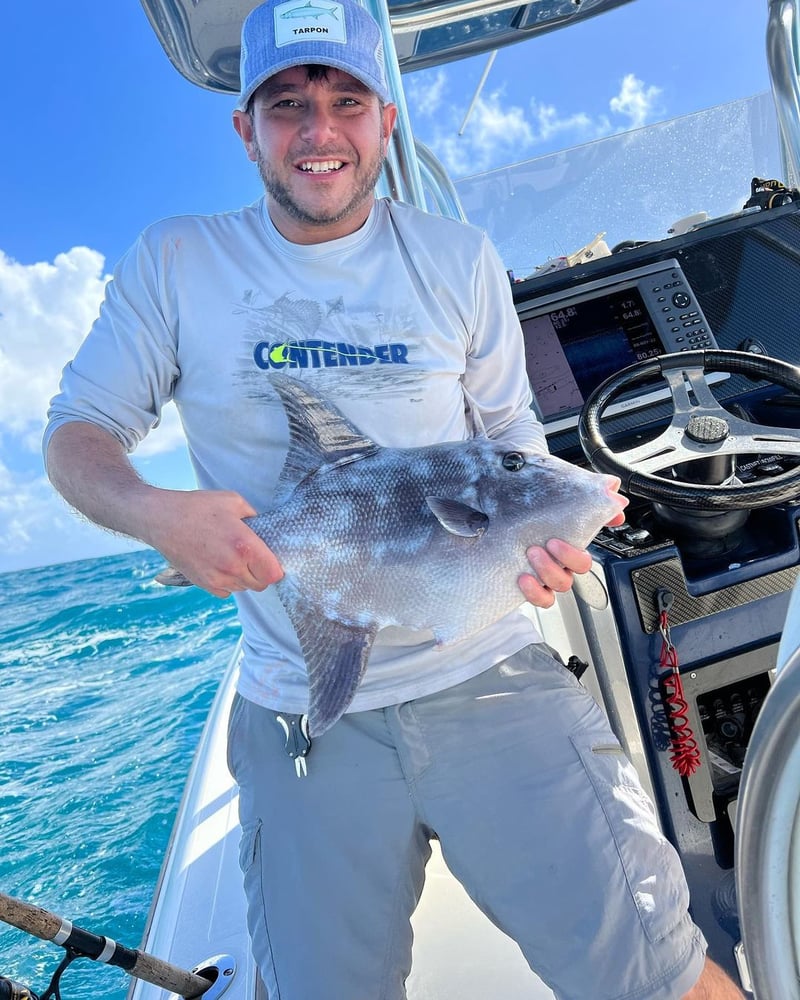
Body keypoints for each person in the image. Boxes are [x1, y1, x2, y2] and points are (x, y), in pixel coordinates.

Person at [43, 1, 744, 997]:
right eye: (285, 104)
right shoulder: (179, 260)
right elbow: (74, 438)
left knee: (658, 972)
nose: (317, 129)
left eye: (344, 100)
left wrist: (548, 547)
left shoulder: (454, 259)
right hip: (303, 708)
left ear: (382, 122)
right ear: (245, 128)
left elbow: (509, 457)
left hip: (487, 670)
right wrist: (157, 514)